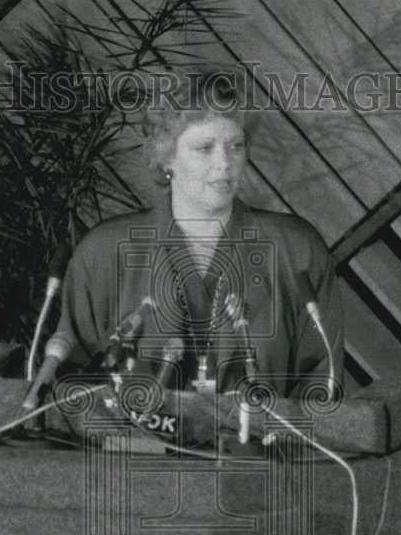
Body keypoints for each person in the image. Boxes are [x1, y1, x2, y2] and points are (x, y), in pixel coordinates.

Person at [27, 68, 344, 410]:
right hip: (130, 454)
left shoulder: (296, 249)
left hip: (263, 454)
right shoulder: (103, 253)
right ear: (166, 158)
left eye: (236, 146)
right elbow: (73, 381)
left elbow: (322, 385)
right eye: (205, 148)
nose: (225, 163)